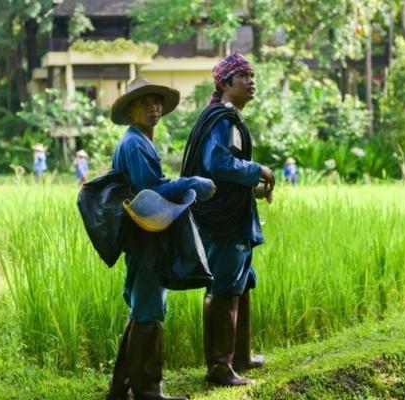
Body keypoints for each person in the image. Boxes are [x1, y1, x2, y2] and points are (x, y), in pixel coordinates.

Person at [106, 77, 216, 400]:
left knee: (143, 306)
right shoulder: (135, 144)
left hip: (145, 234)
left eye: (157, 102)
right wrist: (192, 182)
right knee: (149, 309)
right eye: (145, 102)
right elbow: (150, 190)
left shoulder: (138, 140)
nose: (154, 108)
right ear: (130, 110)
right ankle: (147, 389)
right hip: (146, 237)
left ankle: (121, 387)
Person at [181, 53, 274, 386]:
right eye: (242, 76)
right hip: (223, 223)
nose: (251, 81)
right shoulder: (223, 120)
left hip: (234, 217)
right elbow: (218, 164)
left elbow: (224, 174)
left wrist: (253, 189)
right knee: (224, 287)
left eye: (253, 75)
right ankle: (219, 368)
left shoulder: (227, 118)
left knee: (241, 281)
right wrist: (257, 170)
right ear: (223, 83)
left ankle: (241, 356)